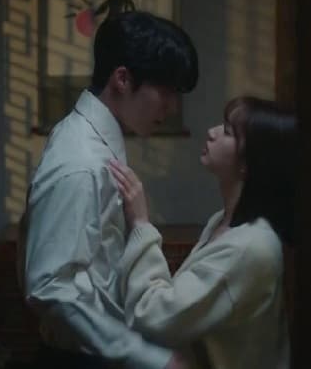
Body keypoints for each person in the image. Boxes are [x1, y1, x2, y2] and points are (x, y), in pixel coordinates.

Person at [22, 11, 199, 369]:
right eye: (165, 91)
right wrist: (146, 356)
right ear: (122, 79)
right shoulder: (82, 161)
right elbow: (50, 285)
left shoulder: (92, 141)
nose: (171, 107)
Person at [108, 96, 295, 369]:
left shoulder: (251, 247)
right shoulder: (223, 222)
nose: (212, 132)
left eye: (228, 132)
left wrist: (141, 224)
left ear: (250, 162)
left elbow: (155, 317)